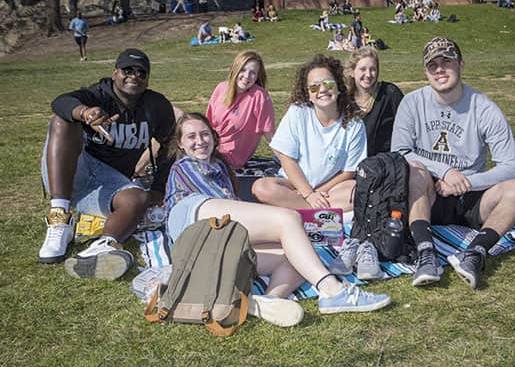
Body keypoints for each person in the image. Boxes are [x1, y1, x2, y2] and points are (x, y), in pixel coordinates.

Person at [164, 112, 391, 325]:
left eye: (204, 134)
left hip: (212, 247)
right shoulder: (186, 165)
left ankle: (271, 299)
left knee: (296, 253)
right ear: (181, 144)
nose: (200, 141)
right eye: (191, 136)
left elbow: (232, 217)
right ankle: (333, 290)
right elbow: (223, 208)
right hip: (192, 224)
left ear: (213, 137)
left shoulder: (219, 167)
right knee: (288, 220)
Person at [391, 37, 515, 289]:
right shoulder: (411, 103)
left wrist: (466, 182)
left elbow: (511, 167)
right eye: (433, 65)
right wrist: (444, 171)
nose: (440, 69)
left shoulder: (484, 108)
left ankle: (474, 253)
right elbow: (399, 151)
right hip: (426, 192)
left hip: (470, 196)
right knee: (414, 170)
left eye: (447, 61)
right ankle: (426, 253)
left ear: (461, 65)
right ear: (426, 72)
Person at [38, 48, 176, 282]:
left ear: (147, 80)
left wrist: (159, 188)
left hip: (111, 182)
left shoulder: (156, 106)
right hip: (74, 169)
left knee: (138, 199)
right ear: (115, 73)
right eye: (127, 70)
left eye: (141, 72)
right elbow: (60, 102)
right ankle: (59, 216)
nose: (134, 76)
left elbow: (169, 146)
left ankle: (103, 246)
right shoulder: (98, 95)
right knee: (62, 121)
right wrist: (84, 113)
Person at [252, 54, 365, 212]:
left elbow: (348, 172)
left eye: (328, 84)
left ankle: (298, 208)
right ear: (309, 95)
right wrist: (308, 193)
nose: (323, 90)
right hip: (293, 184)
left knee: (357, 191)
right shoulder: (298, 112)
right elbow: (286, 158)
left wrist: (318, 193)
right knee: (261, 187)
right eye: (314, 87)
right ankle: (316, 212)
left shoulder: (355, 124)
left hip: (329, 189)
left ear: (339, 87)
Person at [206, 50, 275, 170]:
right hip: (209, 150)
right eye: (243, 70)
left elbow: (270, 136)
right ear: (235, 69)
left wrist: (288, 164)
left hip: (229, 159)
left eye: (253, 72)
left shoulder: (259, 96)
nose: (247, 76)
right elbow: (207, 125)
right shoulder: (221, 88)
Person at [345, 47, 403, 157]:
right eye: (362, 69)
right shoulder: (345, 100)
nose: (368, 74)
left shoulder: (390, 93)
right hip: (352, 163)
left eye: (373, 69)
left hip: (385, 164)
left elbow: (408, 128)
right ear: (352, 72)